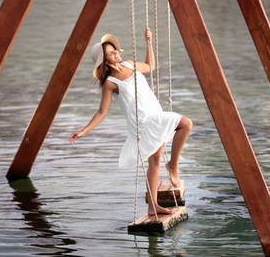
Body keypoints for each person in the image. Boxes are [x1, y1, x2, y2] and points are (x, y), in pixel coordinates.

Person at [69, 28, 192, 215]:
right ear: (104, 60)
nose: (115, 53)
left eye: (115, 49)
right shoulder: (110, 83)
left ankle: (153, 205)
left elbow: (150, 66)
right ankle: (172, 167)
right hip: (142, 122)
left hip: (154, 113)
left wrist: (149, 42)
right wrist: (84, 131)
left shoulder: (129, 64)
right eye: (110, 53)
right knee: (185, 124)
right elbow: (102, 112)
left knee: (156, 158)